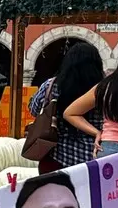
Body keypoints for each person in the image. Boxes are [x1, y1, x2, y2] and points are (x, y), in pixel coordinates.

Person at [30, 43, 106, 172]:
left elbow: (34, 110)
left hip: (55, 157)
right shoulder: (103, 89)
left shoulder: (51, 85)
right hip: (93, 158)